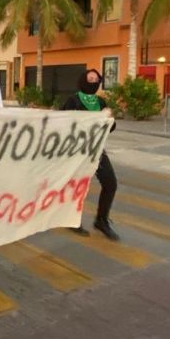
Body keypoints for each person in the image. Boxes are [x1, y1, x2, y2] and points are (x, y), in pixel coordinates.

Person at [62, 69, 119, 241]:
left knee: (110, 183)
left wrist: (110, 118)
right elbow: (61, 123)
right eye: (90, 79)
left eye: (96, 80)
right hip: (76, 151)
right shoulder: (73, 100)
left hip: (96, 150)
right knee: (76, 186)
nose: (93, 82)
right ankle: (71, 220)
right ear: (83, 80)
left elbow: (110, 128)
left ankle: (101, 221)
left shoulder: (101, 102)